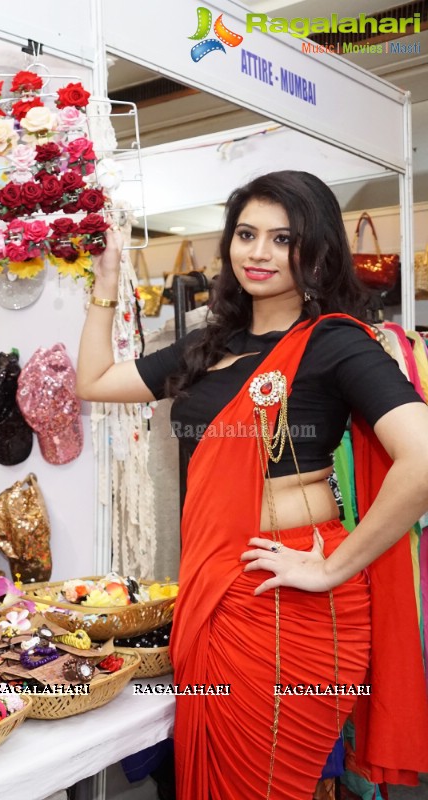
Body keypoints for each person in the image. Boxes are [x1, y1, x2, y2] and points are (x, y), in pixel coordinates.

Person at [76, 171, 428, 798]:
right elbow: (96, 381)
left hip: (289, 591)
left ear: (314, 249)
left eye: (282, 238)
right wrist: (105, 286)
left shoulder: (334, 343)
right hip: (214, 586)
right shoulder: (209, 346)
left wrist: (330, 568)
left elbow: (422, 460)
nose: (258, 252)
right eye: (245, 234)